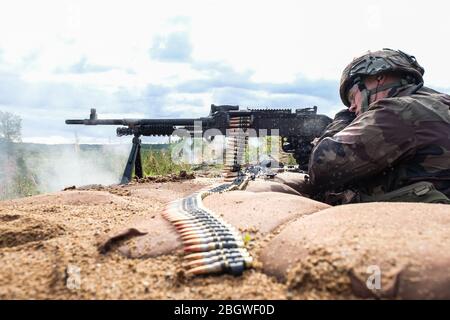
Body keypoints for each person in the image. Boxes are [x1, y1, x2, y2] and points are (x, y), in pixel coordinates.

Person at [307, 48, 450, 205]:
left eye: (352, 97)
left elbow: (322, 169)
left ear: (378, 78)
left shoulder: (397, 111)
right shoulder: (438, 103)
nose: (352, 107)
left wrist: (341, 121)